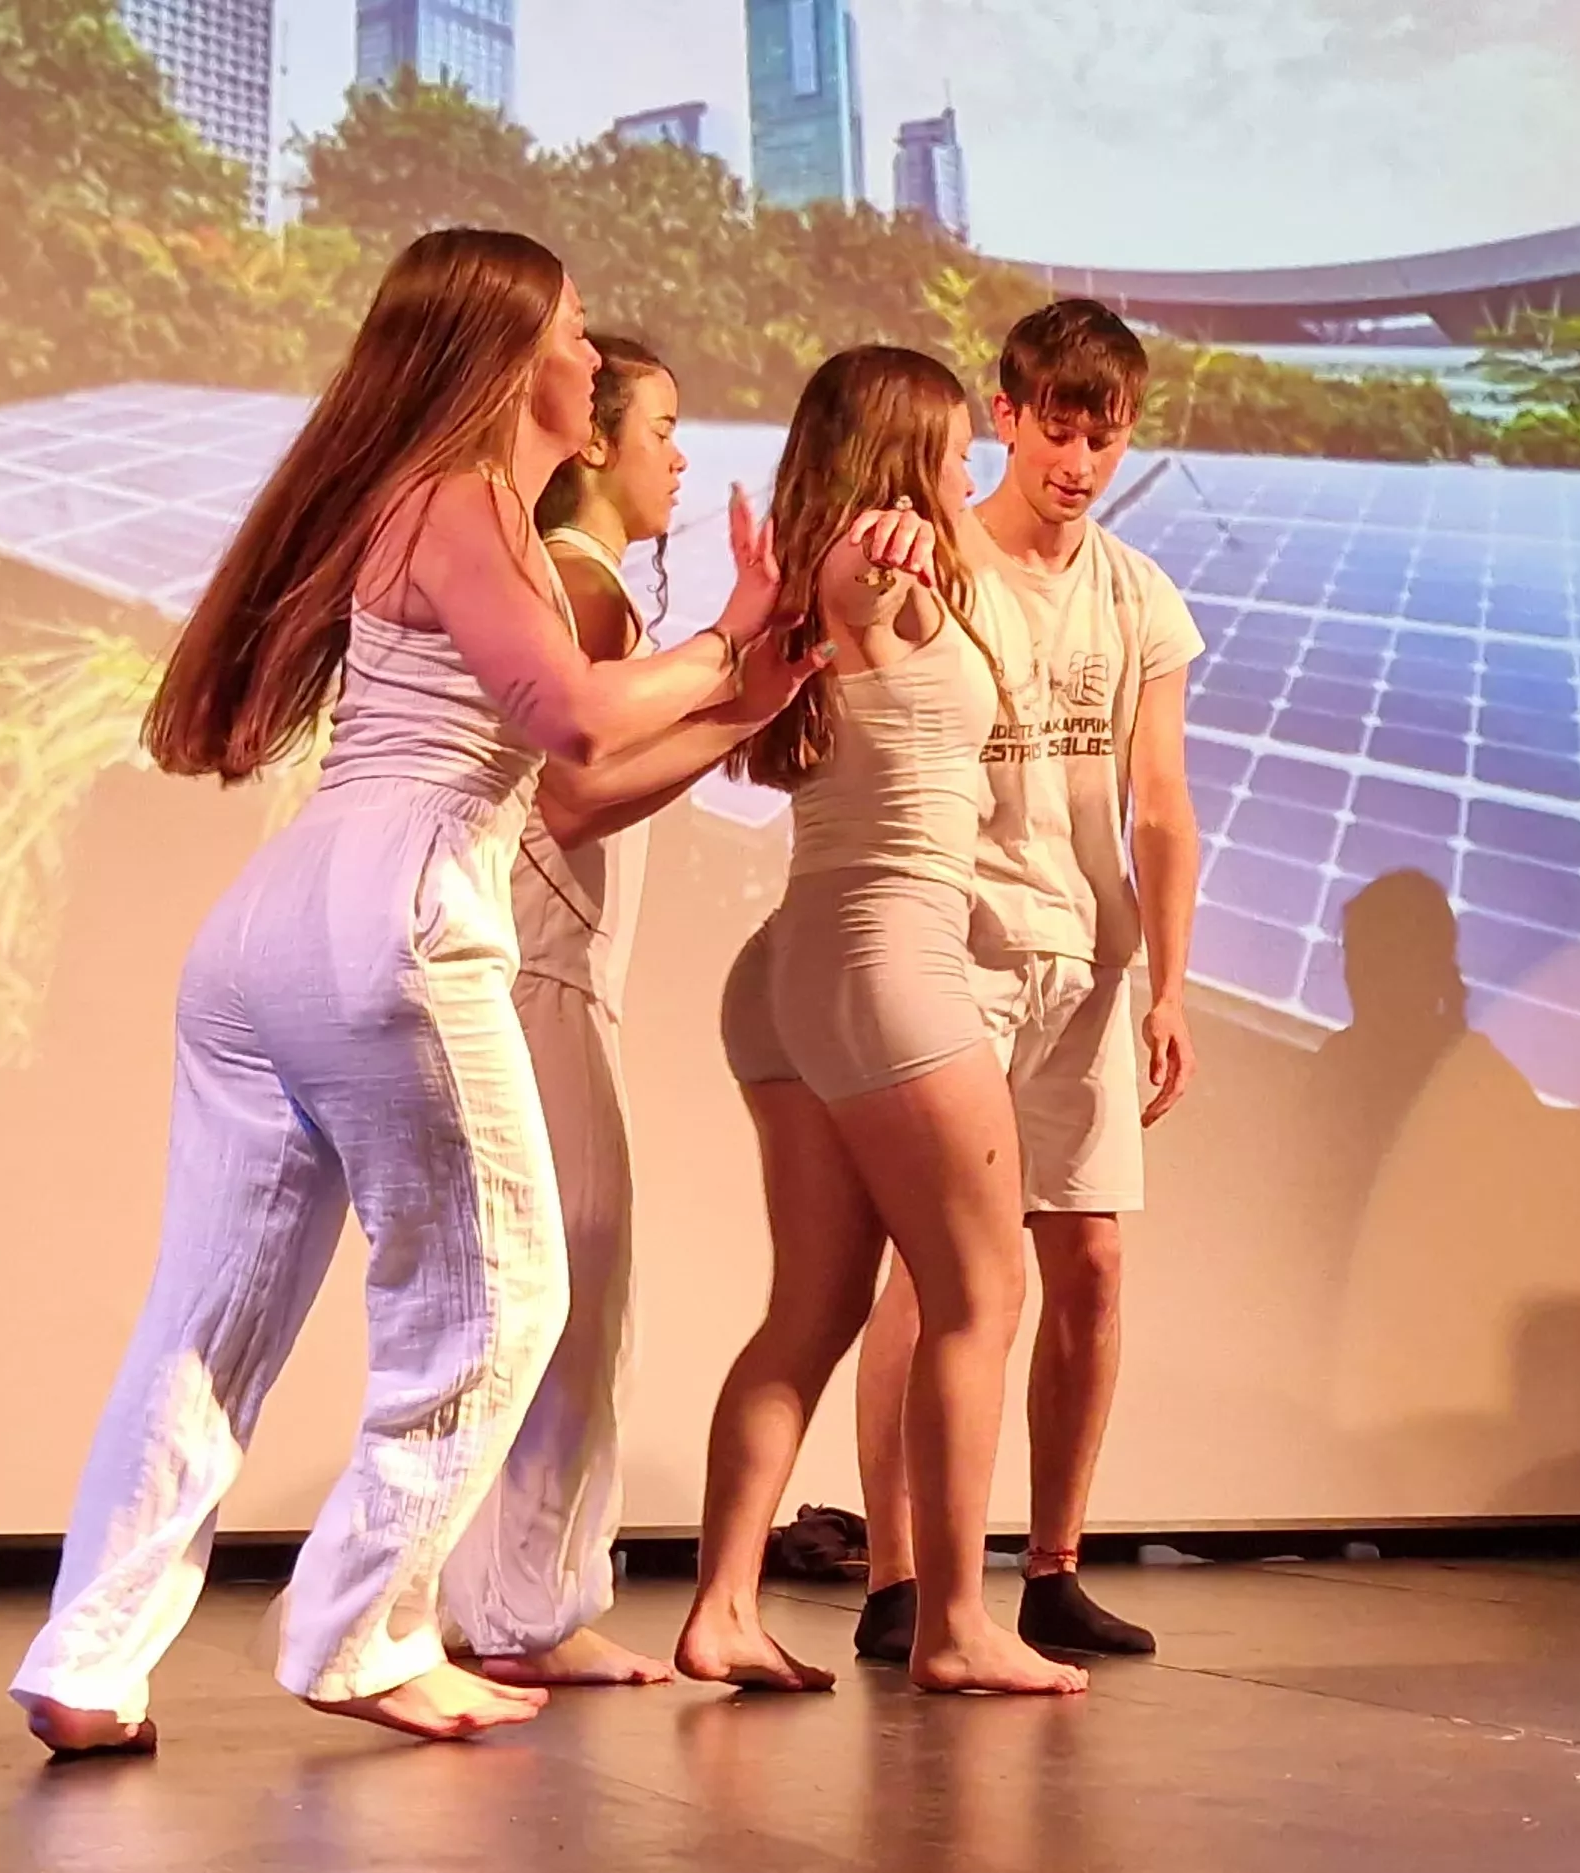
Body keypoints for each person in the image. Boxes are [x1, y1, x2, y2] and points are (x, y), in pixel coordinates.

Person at [6, 231, 816, 1754]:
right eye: (577, 333)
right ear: (517, 358)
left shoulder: (426, 500)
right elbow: (564, 715)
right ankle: (365, 1629)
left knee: (209, 1318)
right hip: (397, 913)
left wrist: (743, 687)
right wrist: (726, 639)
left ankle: (90, 1655)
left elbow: (561, 762)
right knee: (503, 1290)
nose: (594, 357)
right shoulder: (463, 497)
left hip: (280, 926)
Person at [676, 345, 1089, 1698]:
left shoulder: (818, 576)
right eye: (954, 444)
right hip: (885, 963)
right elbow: (867, 585)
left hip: (798, 966)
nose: (973, 464)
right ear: (906, 450)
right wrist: (876, 551)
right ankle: (959, 1620)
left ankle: (727, 1606)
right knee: (982, 1291)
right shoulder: (873, 570)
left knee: (813, 1305)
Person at [850, 299, 1203, 1664]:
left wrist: (1170, 983)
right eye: (1055, 424)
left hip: (1089, 961)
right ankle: (897, 1576)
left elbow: (1160, 802)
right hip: (960, 949)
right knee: (943, 1266)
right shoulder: (940, 559)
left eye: (1102, 432)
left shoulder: (1136, 594)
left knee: (1094, 1260)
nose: (1077, 455)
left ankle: (1052, 1563)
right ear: (1005, 415)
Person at [438, 336, 763, 1690]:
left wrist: (737, 705)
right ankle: (523, 1610)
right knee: (570, 1288)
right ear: (591, 443)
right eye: (663, 429)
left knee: (531, 1288)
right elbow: (568, 798)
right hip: (542, 972)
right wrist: (739, 695)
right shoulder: (591, 596)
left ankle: (498, 1601)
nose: (679, 455)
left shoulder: (574, 588)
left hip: (543, 971)